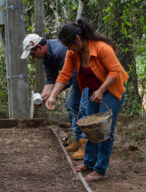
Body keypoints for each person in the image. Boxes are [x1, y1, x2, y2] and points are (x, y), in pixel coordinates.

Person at [46, 18, 129, 181]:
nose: (68, 50)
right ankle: (89, 163)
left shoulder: (101, 48)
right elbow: (64, 74)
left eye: (69, 45)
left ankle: (100, 169)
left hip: (111, 90)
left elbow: (115, 72)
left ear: (78, 39)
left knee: (105, 131)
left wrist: (101, 90)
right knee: (91, 127)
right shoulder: (73, 53)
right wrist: (53, 95)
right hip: (92, 91)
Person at [21, 34, 89, 160]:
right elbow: (50, 79)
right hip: (77, 80)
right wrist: (44, 95)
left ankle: (86, 146)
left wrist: (53, 94)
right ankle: (78, 139)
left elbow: (70, 75)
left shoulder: (60, 50)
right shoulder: (46, 57)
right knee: (70, 105)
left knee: (85, 109)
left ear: (39, 48)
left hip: (88, 78)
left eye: (32, 54)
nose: (33, 57)